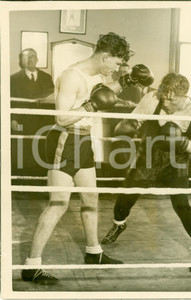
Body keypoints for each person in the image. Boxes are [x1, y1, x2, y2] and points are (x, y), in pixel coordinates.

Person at [21, 32, 154, 285]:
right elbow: (60, 118)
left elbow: (101, 92)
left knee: (91, 196)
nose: (116, 69)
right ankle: (32, 265)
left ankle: (94, 253)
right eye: (115, 64)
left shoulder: (92, 76)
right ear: (105, 57)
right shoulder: (72, 75)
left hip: (83, 140)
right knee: (58, 203)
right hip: (64, 139)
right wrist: (91, 106)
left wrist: (128, 80)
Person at [102, 73, 191, 271]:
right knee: (126, 196)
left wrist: (181, 143)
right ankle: (119, 224)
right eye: (164, 97)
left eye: (172, 99)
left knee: (182, 205)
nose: (166, 102)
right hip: (149, 157)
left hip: (176, 161)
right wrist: (126, 128)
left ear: (184, 94)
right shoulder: (152, 99)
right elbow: (133, 121)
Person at [10, 48, 54, 132]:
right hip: (23, 121)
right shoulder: (13, 79)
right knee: (24, 144)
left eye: (32, 56)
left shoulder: (47, 77)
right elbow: (11, 102)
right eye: (26, 57)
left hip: (44, 121)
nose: (30, 59)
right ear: (21, 61)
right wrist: (13, 119)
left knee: (42, 144)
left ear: (37, 60)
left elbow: (52, 98)